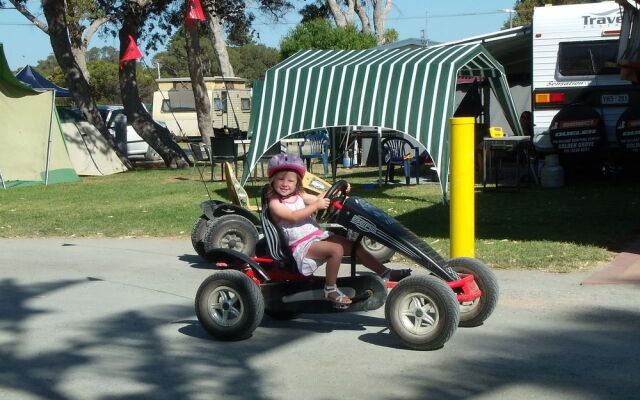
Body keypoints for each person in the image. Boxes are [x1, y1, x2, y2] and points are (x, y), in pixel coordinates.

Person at [266, 153, 410, 307]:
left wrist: (340, 189)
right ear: (272, 180)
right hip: (300, 245)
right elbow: (293, 216)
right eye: (281, 179)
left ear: (297, 183)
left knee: (353, 246)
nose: (285, 183)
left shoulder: (299, 195)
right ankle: (330, 289)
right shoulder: (275, 203)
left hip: (316, 237)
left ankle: (385, 272)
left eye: (290, 180)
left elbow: (320, 198)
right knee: (336, 250)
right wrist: (315, 207)